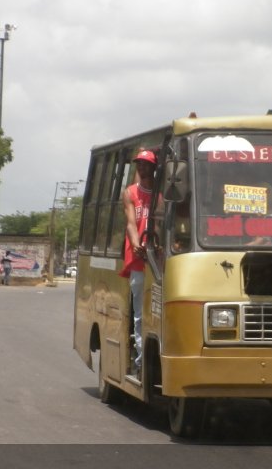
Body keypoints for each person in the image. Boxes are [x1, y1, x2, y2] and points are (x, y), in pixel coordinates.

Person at [119, 149, 157, 378]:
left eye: (146, 164)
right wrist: (136, 244)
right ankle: (142, 359)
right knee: (140, 313)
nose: (142, 168)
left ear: (154, 167)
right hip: (139, 260)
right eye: (139, 164)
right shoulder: (130, 193)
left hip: (160, 259)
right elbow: (131, 224)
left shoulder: (162, 194)